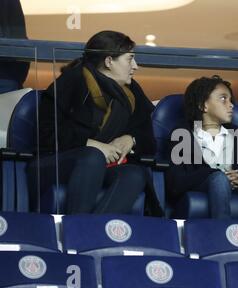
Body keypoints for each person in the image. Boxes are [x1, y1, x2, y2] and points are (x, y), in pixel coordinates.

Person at [28, 30, 161, 215]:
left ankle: (94, 231)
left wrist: (131, 139)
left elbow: (149, 141)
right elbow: (47, 135)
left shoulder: (132, 91)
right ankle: (76, 227)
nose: (136, 66)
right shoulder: (71, 82)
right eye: (130, 59)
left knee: (135, 174)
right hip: (53, 164)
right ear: (108, 62)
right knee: (92, 157)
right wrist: (93, 146)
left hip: (102, 166)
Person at [166, 75, 238, 221]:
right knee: (219, 179)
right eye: (223, 99)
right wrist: (216, 174)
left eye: (231, 100)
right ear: (203, 105)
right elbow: (176, 182)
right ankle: (222, 233)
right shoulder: (182, 135)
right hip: (201, 187)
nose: (231, 105)